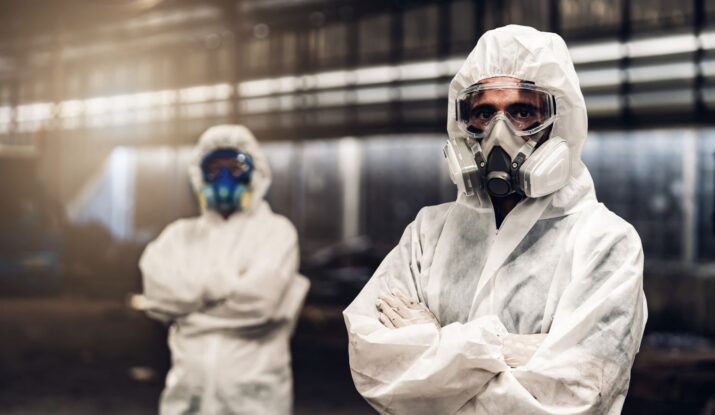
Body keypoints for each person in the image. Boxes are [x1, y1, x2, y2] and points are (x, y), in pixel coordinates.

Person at [344, 25, 647, 414]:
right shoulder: (428, 233)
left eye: (522, 112)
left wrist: (435, 346)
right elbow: (374, 365)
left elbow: (572, 398)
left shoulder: (606, 242)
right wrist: (503, 349)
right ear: (464, 125)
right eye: (484, 113)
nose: (498, 132)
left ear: (559, 121)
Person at [139, 124, 309, 415]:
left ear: (255, 173)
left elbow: (260, 305)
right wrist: (227, 290)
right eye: (214, 168)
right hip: (187, 395)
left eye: (236, 168)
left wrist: (188, 309)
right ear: (199, 175)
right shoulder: (179, 235)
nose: (225, 178)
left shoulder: (276, 232)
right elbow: (157, 295)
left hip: (255, 397)